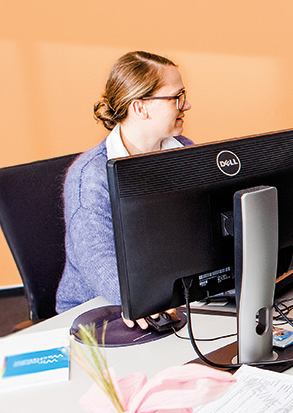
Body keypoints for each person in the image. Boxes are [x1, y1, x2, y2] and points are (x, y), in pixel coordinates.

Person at [55, 52, 193, 323]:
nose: (186, 105)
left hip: (169, 294)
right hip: (97, 308)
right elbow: (98, 261)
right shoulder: (89, 177)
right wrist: (142, 299)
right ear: (140, 107)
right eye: (176, 97)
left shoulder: (184, 151)